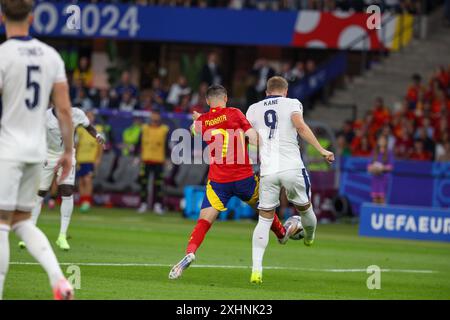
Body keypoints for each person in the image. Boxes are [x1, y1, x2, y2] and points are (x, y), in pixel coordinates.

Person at [169, 85, 290, 280]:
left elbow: (193, 130)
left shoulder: (203, 121)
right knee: (264, 210)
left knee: (204, 221)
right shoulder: (234, 113)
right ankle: (282, 233)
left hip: (219, 182)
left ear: (208, 101)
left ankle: (190, 252)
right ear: (225, 97)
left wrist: (198, 120)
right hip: (244, 179)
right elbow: (252, 138)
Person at [0, 0, 74, 300]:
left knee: (2, 224)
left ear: (2, 16)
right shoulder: (51, 56)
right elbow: (65, 110)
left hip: (9, 150)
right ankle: (60, 281)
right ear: (32, 18)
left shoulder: (3, 55)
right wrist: (69, 151)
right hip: (38, 152)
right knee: (21, 221)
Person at [246, 76, 334, 284]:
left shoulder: (253, 108)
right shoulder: (293, 103)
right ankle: (309, 237)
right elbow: (301, 127)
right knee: (305, 209)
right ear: (285, 92)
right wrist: (321, 150)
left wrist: (253, 155)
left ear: (267, 92)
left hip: (268, 170)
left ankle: (256, 270)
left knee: (265, 219)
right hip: (292, 167)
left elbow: (249, 138)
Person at [22, 107, 105, 250]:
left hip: (68, 155)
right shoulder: (45, 116)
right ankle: (30, 234)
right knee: (40, 192)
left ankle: (62, 236)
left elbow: (88, 126)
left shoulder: (76, 113)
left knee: (67, 191)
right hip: (49, 155)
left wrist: (97, 135)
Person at [137, 111, 170, 214]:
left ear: (159, 116)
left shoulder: (164, 129)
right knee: (143, 183)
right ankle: (143, 204)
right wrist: (137, 156)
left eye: (156, 115)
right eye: (153, 115)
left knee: (158, 184)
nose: (154, 117)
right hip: (145, 159)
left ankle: (158, 205)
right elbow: (139, 143)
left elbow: (167, 145)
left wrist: (167, 158)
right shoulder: (144, 128)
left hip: (159, 160)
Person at [76, 110, 105, 213]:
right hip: (80, 158)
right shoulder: (79, 130)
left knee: (88, 180)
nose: (89, 118)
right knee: (81, 181)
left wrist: (98, 158)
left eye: (91, 116)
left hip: (90, 159)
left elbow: (101, 145)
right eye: (87, 116)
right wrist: (74, 158)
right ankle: (82, 200)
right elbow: (76, 145)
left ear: (94, 117)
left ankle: (87, 202)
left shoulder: (99, 129)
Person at [367, 135, 394, 204]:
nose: (381, 142)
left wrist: (382, 168)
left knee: (382, 198)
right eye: (380, 140)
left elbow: (391, 166)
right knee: (375, 198)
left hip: (384, 178)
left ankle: (382, 213)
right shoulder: (374, 152)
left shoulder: (389, 152)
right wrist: (373, 168)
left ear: (386, 142)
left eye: (383, 140)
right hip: (375, 178)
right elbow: (369, 166)